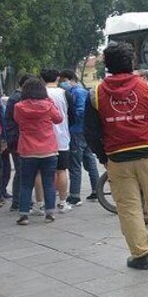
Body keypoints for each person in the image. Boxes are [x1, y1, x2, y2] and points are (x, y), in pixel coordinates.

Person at [85, 41, 148, 269]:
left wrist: (103, 157)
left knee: (128, 207)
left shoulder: (95, 94)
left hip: (117, 159)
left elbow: (90, 133)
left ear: (107, 65)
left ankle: (141, 256)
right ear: (131, 63)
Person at [13, 78, 63, 225]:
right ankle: (49, 213)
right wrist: (49, 102)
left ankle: (23, 215)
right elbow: (58, 119)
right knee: (49, 182)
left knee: (26, 183)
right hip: (48, 149)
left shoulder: (18, 107)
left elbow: (17, 121)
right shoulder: (48, 105)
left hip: (27, 150)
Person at [58, 70, 100, 204]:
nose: (62, 84)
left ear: (69, 79)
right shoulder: (81, 91)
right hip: (85, 131)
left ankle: (75, 195)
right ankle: (96, 191)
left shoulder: (77, 92)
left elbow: (80, 111)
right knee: (89, 161)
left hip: (77, 131)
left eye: (63, 80)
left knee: (75, 163)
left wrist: (71, 120)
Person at [41, 69, 75, 213]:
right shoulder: (64, 93)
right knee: (62, 171)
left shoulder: (39, 94)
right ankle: (62, 202)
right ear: (58, 78)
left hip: (43, 138)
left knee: (42, 173)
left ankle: (41, 203)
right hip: (62, 138)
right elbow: (72, 115)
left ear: (42, 79)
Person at [2, 74, 30, 211]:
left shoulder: (15, 97)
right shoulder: (17, 99)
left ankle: (19, 201)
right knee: (21, 171)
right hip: (17, 140)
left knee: (21, 171)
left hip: (15, 139)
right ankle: (18, 202)